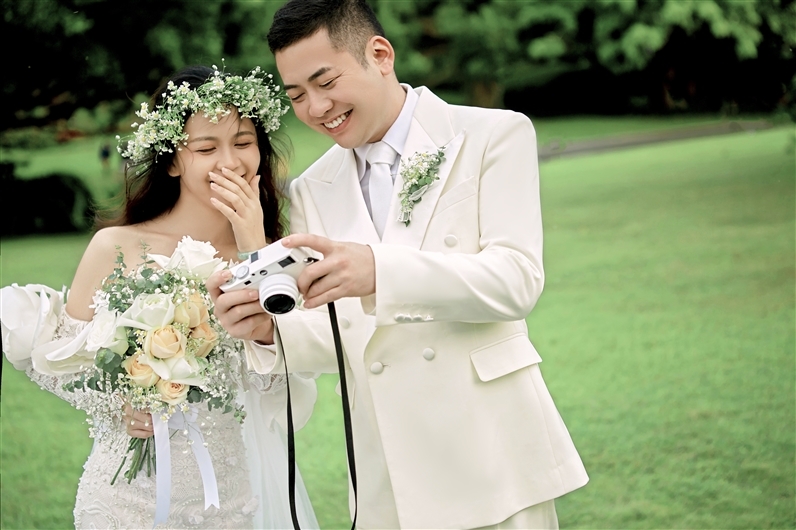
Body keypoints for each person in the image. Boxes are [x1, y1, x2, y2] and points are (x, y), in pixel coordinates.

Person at [208, 1, 590, 528]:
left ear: (380, 55)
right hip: (387, 475)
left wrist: (379, 271)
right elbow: (340, 336)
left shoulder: (493, 134)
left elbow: (516, 282)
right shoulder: (313, 187)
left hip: (492, 456)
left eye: (326, 82)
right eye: (296, 96)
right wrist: (268, 331)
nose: (316, 108)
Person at [1, 65, 318, 529]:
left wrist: (254, 246)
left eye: (243, 142)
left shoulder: (284, 259)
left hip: (229, 501)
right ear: (172, 161)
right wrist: (121, 403)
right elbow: (61, 363)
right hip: (124, 500)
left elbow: (279, 389)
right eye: (206, 148)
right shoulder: (116, 246)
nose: (230, 162)